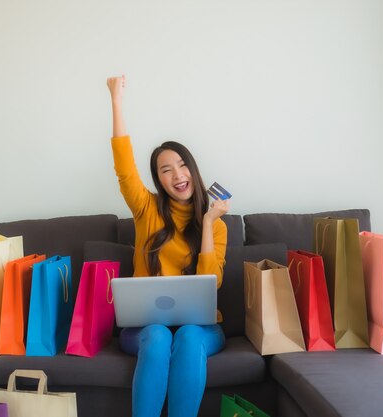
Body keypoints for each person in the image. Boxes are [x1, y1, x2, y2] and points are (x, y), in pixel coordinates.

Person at [106, 75, 230, 417]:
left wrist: (207, 223)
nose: (177, 174)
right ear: (158, 180)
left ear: (193, 169)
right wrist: (116, 101)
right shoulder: (146, 209)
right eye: (165, 170)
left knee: (189, 336)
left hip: (201, 330)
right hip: (145, 330)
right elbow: (124, 169)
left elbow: (212, 281)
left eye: (182, 165)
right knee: (159, 336)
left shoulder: (216, 225)